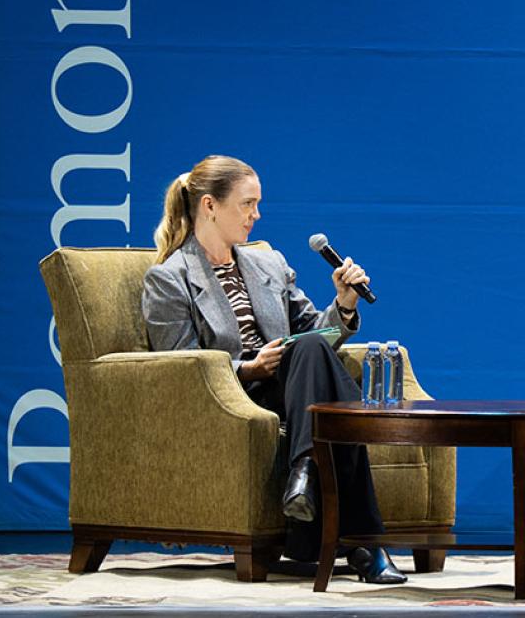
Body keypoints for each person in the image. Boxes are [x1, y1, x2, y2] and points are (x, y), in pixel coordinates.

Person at [141, 155, 406, 584]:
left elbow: (314, 333)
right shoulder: (170, 278)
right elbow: (180, 365)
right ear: (210, 206)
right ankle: (365, 545)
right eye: (247, 204)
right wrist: (248, 368)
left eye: (257, 204)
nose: (256, 215)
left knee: (310, 350)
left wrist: (343, 304)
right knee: (328, 387)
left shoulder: (269, 263)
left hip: (295, 384)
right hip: (236, 397)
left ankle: (305, 473)